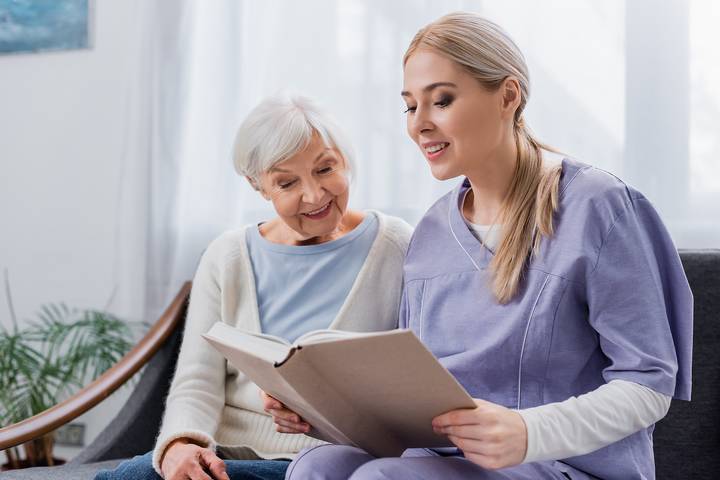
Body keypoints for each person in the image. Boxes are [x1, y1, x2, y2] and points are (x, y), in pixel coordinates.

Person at [276, 12, 692, 480]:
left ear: (508, 96)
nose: (420, 125)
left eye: (442, 100)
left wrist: (528, 431)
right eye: (411, 107)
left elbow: (649, 384)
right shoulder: (432, 232)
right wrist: (332, 416)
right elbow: (418, 403)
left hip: (563, 467)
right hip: (445, 460)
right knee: (318, 467)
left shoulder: (600, 207)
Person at [94, 94, 412, 480]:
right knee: (133, 476)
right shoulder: (227, 256)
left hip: (330, 464)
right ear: (258, 186)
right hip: (225, 453)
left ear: (345, 159)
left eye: (325, 169)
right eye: (287, 182)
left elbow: (411, 378)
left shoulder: (396, 245)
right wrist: (180, 446)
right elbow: (197, 380)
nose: (314, 195)